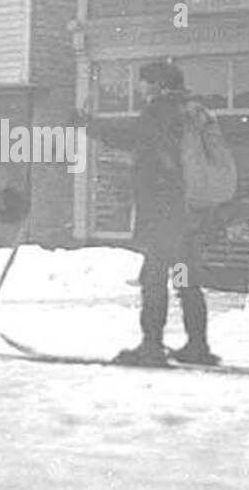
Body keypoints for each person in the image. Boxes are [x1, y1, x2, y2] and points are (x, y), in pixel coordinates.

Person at [81, 60, 219, 366]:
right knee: (186, 279)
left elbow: (131, 136)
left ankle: (151, 346)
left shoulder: (160, 111)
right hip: (191, 214)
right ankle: (197, 345)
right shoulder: (194, 112)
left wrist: (89, 126)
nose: (141, 88)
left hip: (164, 214)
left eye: (144, 82)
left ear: (157, 84)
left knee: (154, 277)